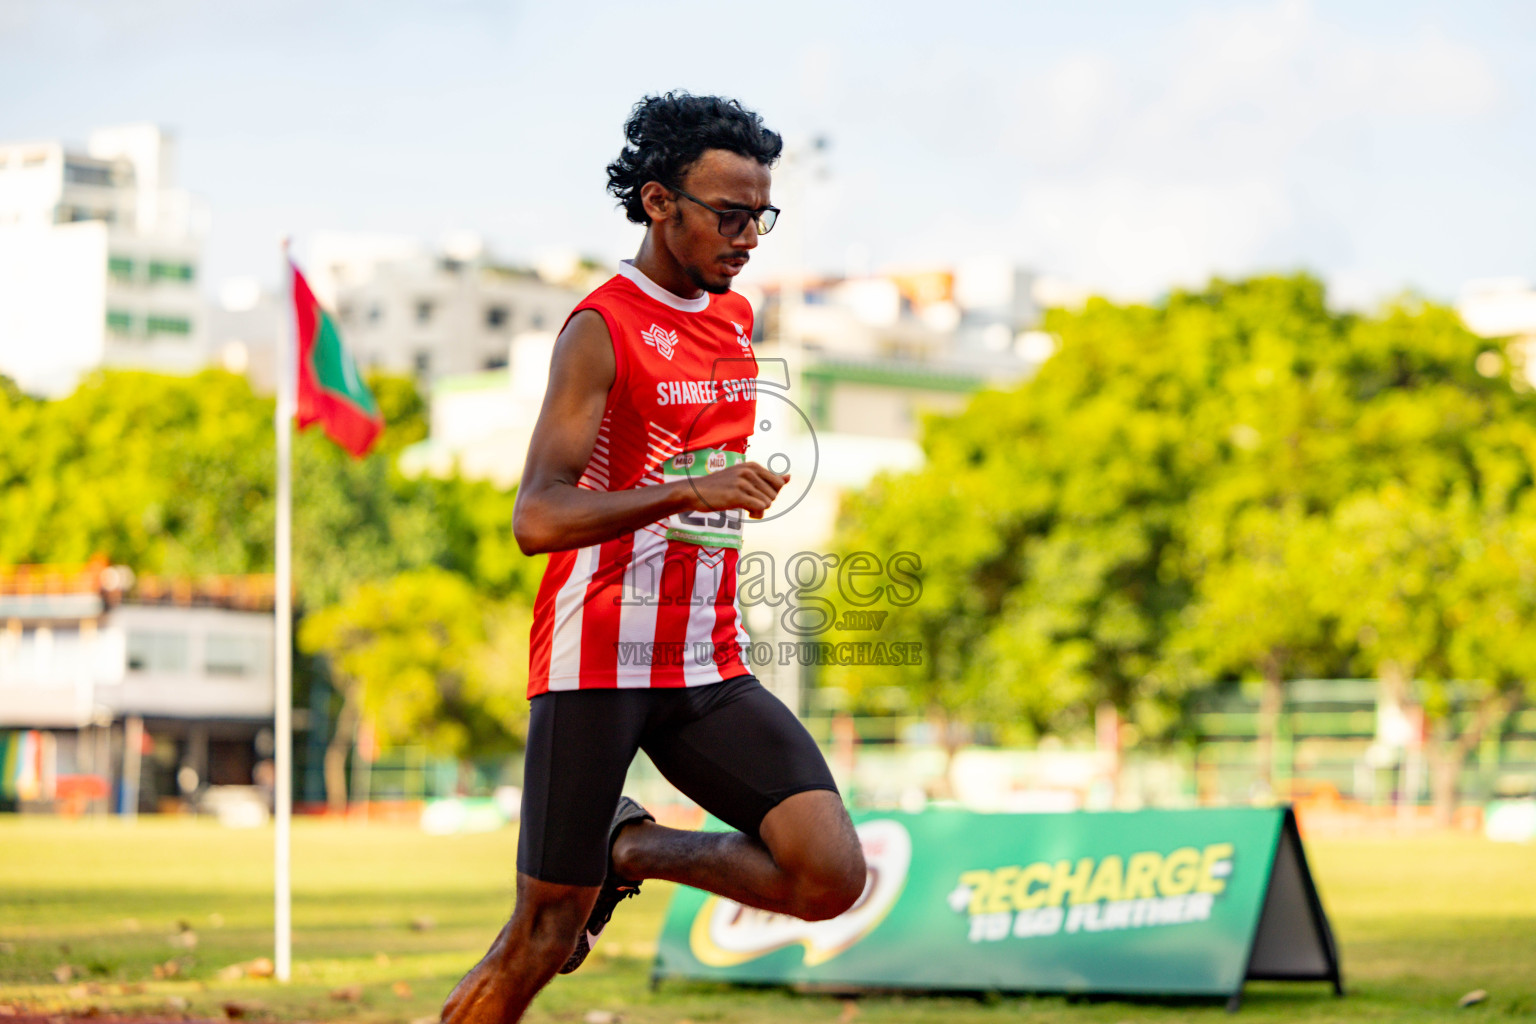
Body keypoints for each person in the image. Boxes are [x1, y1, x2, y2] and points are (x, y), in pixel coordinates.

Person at [440, 92, 867, 1024]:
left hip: (704, 656)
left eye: (763, 214)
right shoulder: (600, 326)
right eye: (729, 213)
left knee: (830, 872)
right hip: (598, 652)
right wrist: (684, 490)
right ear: (657, 201)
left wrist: (733, 484)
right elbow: (537, 516)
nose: (749, 235)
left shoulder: (736, 320)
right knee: (544, 936)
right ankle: (600, 863)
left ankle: (629, 848)